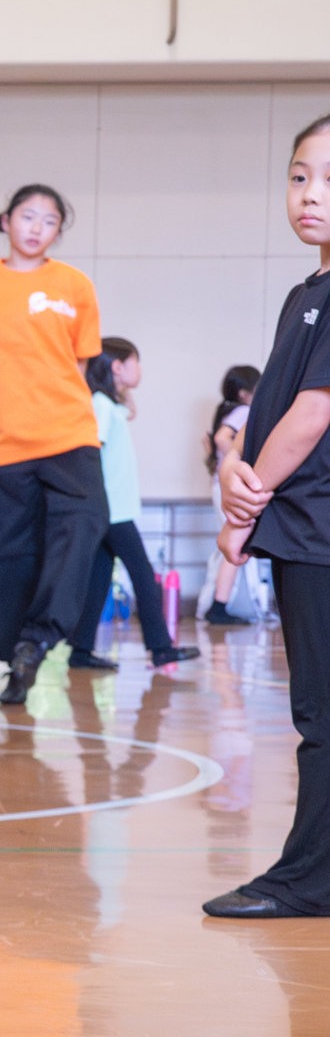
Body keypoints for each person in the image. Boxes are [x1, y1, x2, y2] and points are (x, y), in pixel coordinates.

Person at [204, 114, 330, 920]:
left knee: (322, 717)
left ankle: (308, 880)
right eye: (299, 176)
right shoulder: (305, 294)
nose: (311, 195)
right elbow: (271, 406)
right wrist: (232, 473)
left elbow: (313, 412)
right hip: (301, 530)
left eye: (329, 179)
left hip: (320, 532)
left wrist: (242, 504)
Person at [0, 186, 107, 706]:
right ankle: (16, 651)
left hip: (68, 434)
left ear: (56, 232)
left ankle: (39, 635)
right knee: (7, 555)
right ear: (6, 221)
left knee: (84, 524)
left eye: (48, 221)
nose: (36, 227)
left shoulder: (74, 285)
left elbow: (78, 367)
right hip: (1, 442)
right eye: (27, 216)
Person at [70, 339, 198, 672]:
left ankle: (80, 651)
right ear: (117, 367)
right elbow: (90, 453)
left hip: (112, 510)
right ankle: (160, 648)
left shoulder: (110, 405)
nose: (139, 370)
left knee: (98, 579)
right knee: (142, 574)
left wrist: (119, 383)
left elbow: (132, 409)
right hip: (111, 511)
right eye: (135, 363)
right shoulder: (99, 404)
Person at [206, 364, 262, 625]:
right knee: (234, 546)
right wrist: (239, 462)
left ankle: (218, 604)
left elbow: (209, 441)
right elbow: (220, 439)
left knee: (230, 546)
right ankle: (219, 606)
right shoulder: (243, 411)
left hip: (221, 485)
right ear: (244, 393)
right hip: (229, 487)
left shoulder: (225, 410)